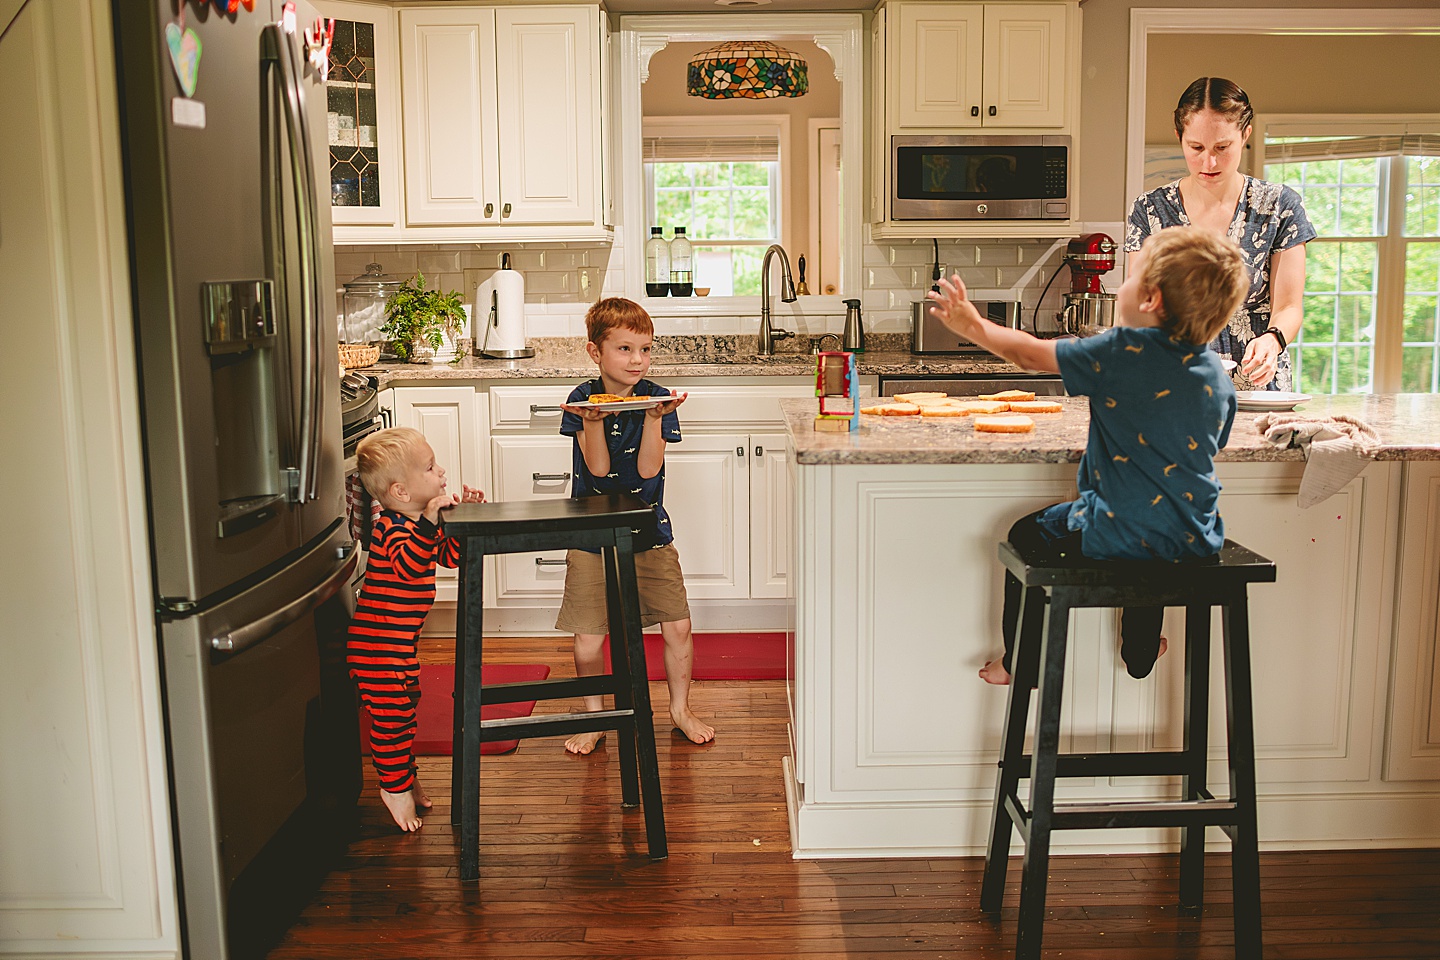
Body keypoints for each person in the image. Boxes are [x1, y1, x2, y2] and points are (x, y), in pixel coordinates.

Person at [926, 226, 1248, 685]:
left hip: (1113, 528)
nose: (1123, 285)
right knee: (1153, 545)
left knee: (1026, 535)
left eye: (1131, 277)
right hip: (1194, 536)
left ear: (1152, 298)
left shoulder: (1122, 351)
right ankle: (1140, 653)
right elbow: (1214, 441)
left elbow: (1033, 356)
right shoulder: (1215, 371)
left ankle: (1021, 660)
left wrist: (974, 327)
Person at [557, 298, 715, 754]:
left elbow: (648, 471)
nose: (637, 360)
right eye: (625, 349)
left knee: (678, 626)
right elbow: (600, 470)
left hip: (648, 528)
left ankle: (680, 708)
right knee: (589, 635)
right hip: (590, 532)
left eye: (645, 349)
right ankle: (595, 716)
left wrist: (652, 419)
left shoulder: (660, 399)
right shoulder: (581, 401)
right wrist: (591, 425)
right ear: (595, 352)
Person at [1127, 76, 1316, 392]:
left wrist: (1274, 339)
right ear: (1179, 137)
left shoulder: (1279, 206)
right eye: (1196, 147)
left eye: (1222, 147)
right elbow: (1140, 304)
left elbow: (1289, 307)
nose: (1208, 162)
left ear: (1245, 135)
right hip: (1175, 380)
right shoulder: (1150, 209)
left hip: (1256, 381)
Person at [348, 426, 484, 831]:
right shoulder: (390, 529)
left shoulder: (420, 523)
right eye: (429, 467)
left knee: (404, 717)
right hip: (375, 649)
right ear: (401, 493)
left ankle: (406, 779)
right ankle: (392, 789)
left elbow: (448, 556)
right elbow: (409, 566)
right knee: (390, 720)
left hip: (399, 648)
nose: (441, 471)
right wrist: (429, 521)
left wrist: (464, 517)